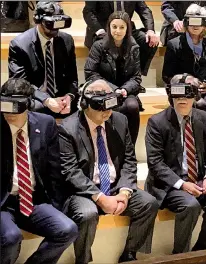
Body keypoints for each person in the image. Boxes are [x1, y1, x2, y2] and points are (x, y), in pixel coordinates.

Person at [58, 80, 159, 264]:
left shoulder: (120, 120)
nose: (107, 112)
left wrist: (124, 192)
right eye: (101, 108)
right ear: (85, 104)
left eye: (110, 107)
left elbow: (129, 160)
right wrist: (101, 198)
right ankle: (83, 260)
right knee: (88, 214)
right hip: (84, 192)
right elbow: (71, 172)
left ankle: (130, 253)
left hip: (115, 186)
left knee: (149, 203)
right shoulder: (67, 128)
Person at [145, 74, 206, 254]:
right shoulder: (156, 122)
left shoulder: (204, 118)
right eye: (178, 94)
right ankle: (181, 255)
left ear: (195, 96)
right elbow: (155, 163)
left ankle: (201, 248)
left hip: (197, 179)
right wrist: (182, 184)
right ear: (170, 95)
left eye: (187, 94)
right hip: (169, 185)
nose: (182, 99)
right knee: (191, 205)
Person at [0, 78, 78, 264]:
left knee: (67, 229)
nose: (9, 112)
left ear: (28, 104)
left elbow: (54, 170)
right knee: (11, 237)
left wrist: (56, 207)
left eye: (16, 106)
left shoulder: (46, 124)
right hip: (3, 202)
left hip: (34, 200)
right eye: (5, 104)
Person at [8, 1, 79, 117]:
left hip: (61, 97)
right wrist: (46, 100)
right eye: (50, 24)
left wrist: (69, 96)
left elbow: (72, 78)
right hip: (36, 97)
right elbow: (20, 83)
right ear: (38, 21)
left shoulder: (67, 40)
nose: (55, 30)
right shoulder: (19, 44)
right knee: (36, 107)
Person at [162, 4, 206, 133]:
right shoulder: (174, 43)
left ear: (205, 23)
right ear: (186, 22)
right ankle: (194, 139)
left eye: (199, 22)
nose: (195, 26)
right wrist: (185, 80)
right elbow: (166, 75)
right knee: (199, 104)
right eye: (192, 21)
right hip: (182, 90)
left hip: (204, 88)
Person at [85, 11, 142, 145]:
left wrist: (124, 90)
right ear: (108, 27)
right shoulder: (98, 46)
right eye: (114, 26)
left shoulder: (134, 47)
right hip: (103, 91)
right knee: (113, 106)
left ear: (127, 29)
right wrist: (112, 89)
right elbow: (90, 73)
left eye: (122, 27)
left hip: (125, 91)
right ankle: (112, 147)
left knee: (132, 106)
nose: (118, 31)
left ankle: (130, 149)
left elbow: (136, 77)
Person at [160, 1, 206, 91]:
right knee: (177, 38)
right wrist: (175, 21)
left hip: (201, 25)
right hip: (177, 25)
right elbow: (166, 6)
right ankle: (181, 78)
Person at [83, 1, 160, 76]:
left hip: (126, 30)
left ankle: (135, 77)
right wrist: (100, 31)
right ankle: (105, 79)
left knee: (147, 40)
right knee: (103, 44)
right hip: (102, 30)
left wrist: (150, 30)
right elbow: (88, 12)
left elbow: (144, 9)